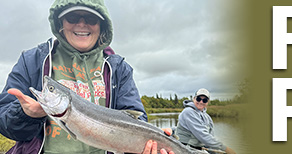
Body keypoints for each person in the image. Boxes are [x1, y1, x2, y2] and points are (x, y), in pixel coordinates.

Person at [0, 0, 173, 154]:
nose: (81, 24)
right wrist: (25, 115)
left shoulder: (118, 68)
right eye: (73, 17)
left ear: (101, 26)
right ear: (60, 22)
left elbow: (135, 118)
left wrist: (150, 146)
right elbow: (5, 123)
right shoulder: (32, 60)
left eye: (91, 19)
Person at [176, 88, 237, 154]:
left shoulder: (207, 117)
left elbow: (210, 137)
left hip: (198, 149)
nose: (201, 102)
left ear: (208, 102)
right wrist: (226, 149)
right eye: (198, 99)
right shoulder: (188, 112)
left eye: (204, 100)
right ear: (194, 99)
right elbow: (203, 135)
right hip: (184, 148)